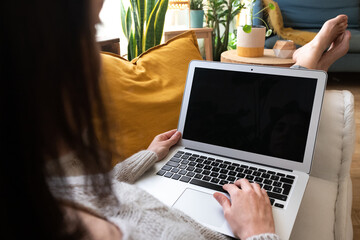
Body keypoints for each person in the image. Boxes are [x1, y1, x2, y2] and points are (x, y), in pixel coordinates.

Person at [1, 0, 350, 238]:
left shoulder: (49, 183)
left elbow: (93, 189)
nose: (98, 61)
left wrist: (148, 156)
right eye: (88, 32)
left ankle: (303, 70)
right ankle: (303, 69)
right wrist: (258, 231)